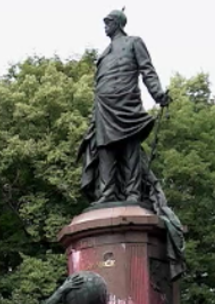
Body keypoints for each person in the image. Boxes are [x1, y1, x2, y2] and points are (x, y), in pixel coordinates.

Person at [79, 9, 170, 205]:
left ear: (118, 23)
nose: (105, 26)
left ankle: (133, 193)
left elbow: (147, 70)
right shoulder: (103, 54)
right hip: (104, 106)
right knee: (104, 149)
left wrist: (158, 94)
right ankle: (107, 192)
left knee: (130, 148)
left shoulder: (134, 42)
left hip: (127, 103)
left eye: (108, 22)